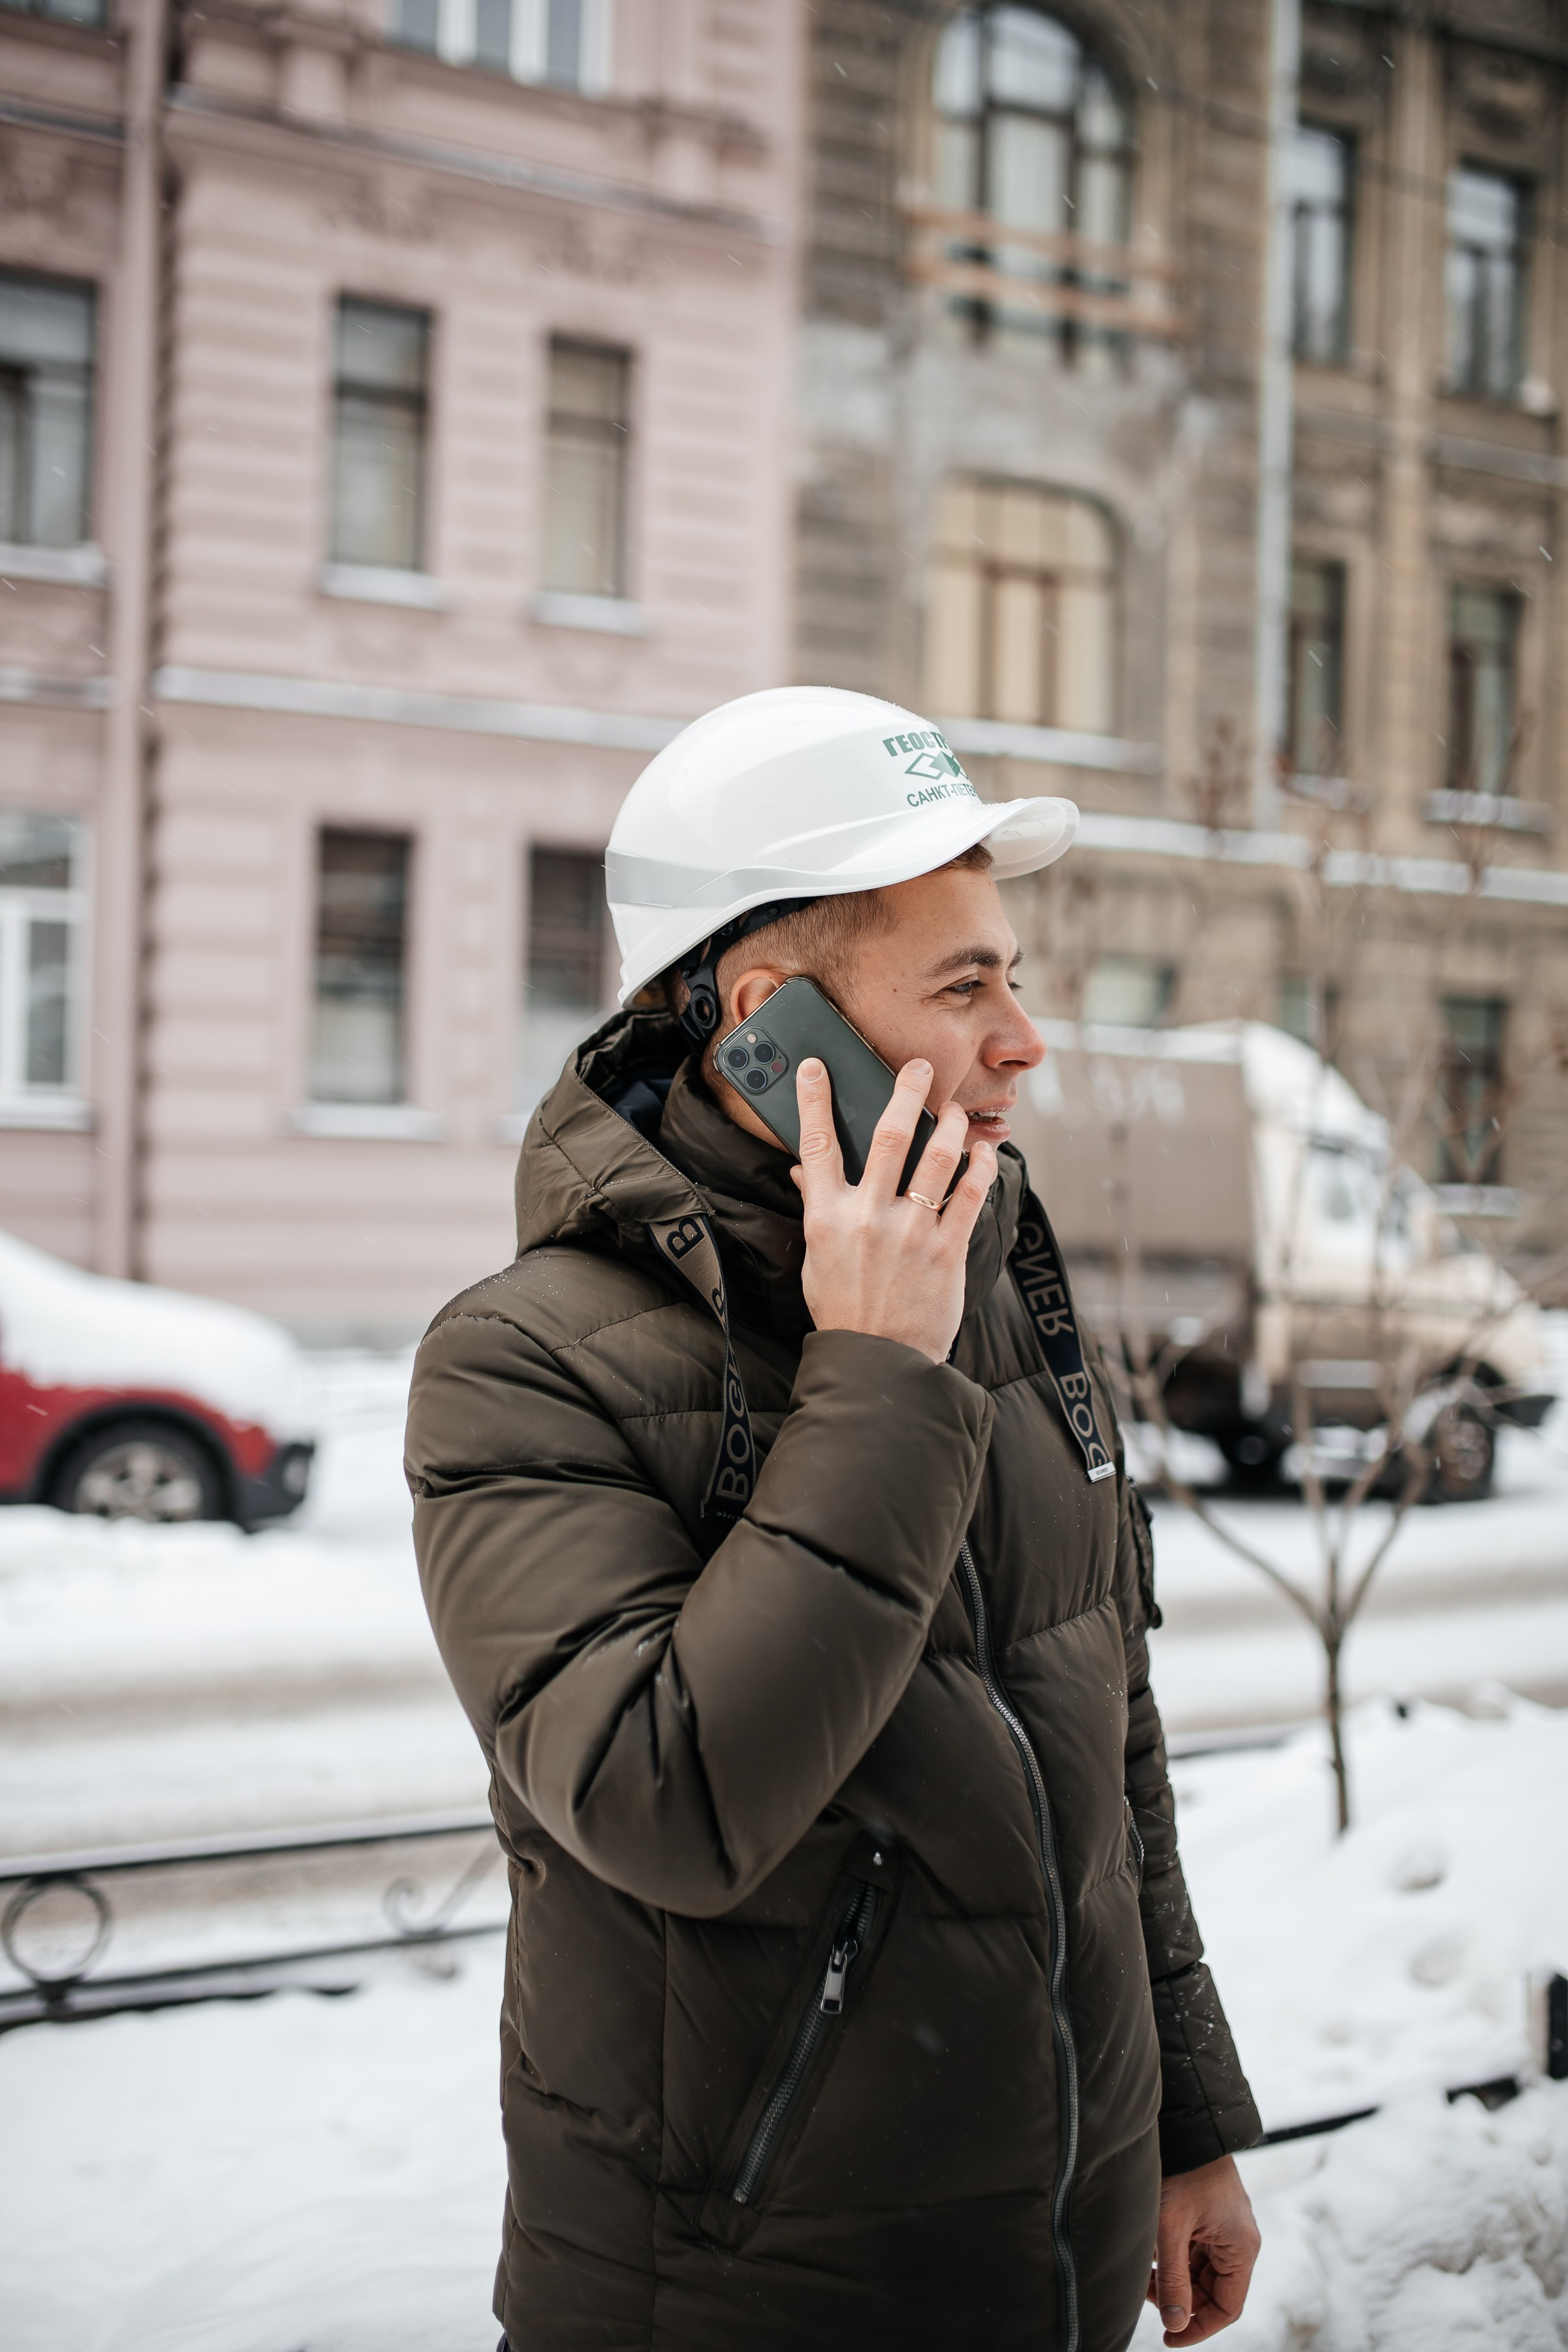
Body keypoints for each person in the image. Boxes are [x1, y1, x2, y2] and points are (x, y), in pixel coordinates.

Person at [406, 687, 1262, 2352]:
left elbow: (1100, 1729)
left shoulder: (995, 1266)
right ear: (766, 1022)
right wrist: (874, 1375)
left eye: (1015, 975)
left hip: (1058, 2273)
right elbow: (671, 1802)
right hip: (736, 2300)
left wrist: (1184, 2119)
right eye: (965, 985)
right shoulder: (523, 1363)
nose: (1025, 1037)